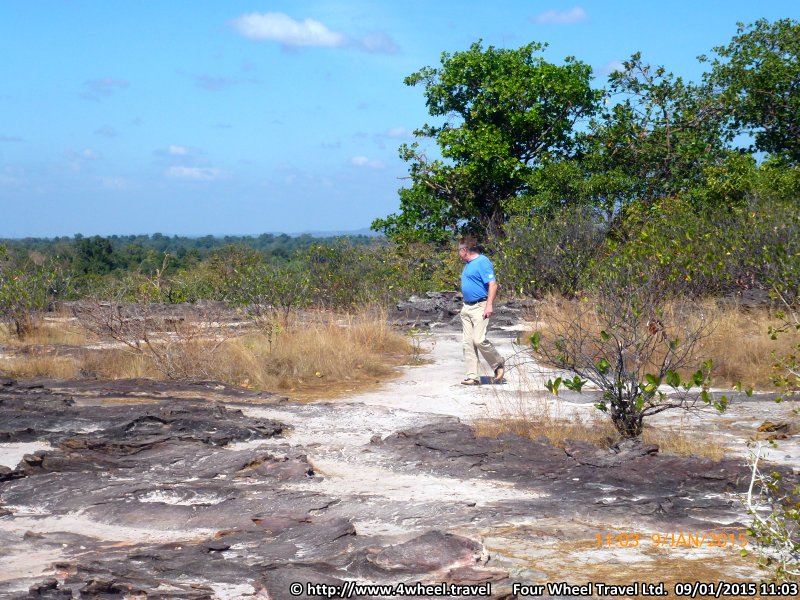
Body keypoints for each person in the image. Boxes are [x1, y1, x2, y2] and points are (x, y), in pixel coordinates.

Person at [457, 236, 504, 385]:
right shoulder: (468, 264)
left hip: (480, 306)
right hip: (467, 307)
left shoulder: (482, 262)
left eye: (459, 250)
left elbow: (493, 284)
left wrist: (489, 305)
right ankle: (472, 377)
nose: (458, 253)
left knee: (479, 340)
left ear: (464, 250)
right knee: (468, 343)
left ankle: (498, 364)